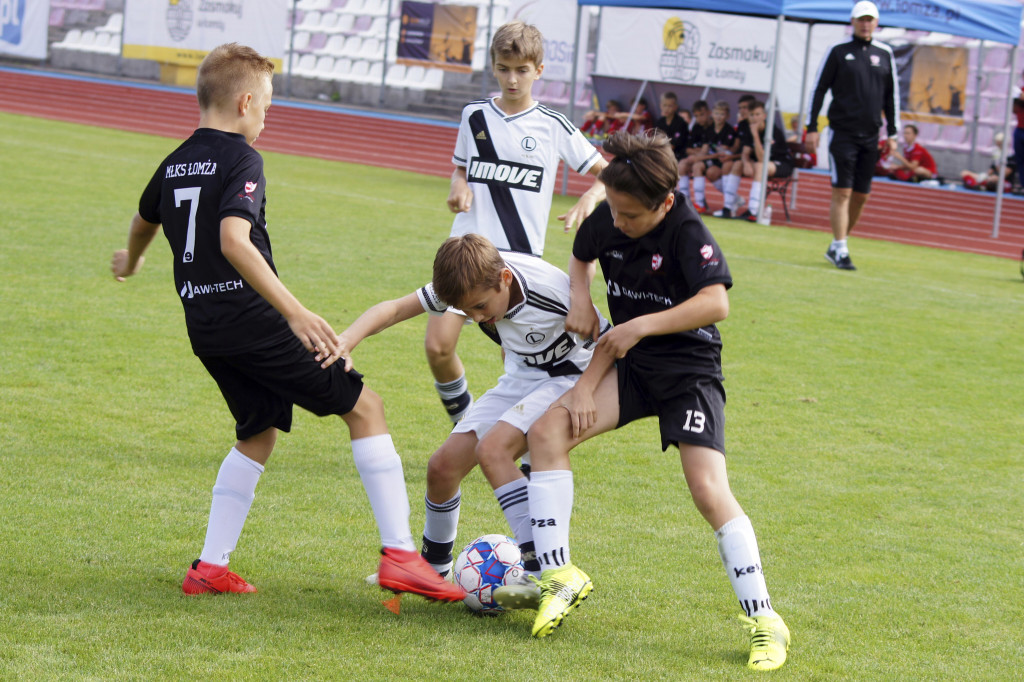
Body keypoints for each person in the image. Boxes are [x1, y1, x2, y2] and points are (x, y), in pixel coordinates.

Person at [109, 43, 465, 604]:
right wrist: (295, 312)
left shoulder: (175, 159)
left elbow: (143, 217)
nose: (266, 119)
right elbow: (233, 239)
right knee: (365, 406)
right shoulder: (244, 159)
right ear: (246, 101)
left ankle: (209, 567)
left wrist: (130, 261)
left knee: (258, 432)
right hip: (252, 319)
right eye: (268, 108)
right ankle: (401, 556)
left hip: (204, 325)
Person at [494, 130, 790, 671]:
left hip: (687, 371)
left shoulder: (686, 229)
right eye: (613, 209)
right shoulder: (610, 211)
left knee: (706, 488)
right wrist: (580, 300)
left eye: (630, 216)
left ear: (665, 203)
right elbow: (581, 255)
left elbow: (716, 302)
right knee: (546, 432)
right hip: (626, 362)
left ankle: (765, 619)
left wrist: (641, 326)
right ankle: (554, 578)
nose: (619, 223)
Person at [339, 234, 609, 586]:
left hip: (570, 378)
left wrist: (586, 392)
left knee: (493, 450)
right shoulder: (470, 281)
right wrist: (345, 340)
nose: (477, 318)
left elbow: (608, 344)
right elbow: (394, 309)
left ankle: (542, 571)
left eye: (480, 307)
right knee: (442, 467)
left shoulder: (550, 293)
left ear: (505, 280)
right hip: (522, 374)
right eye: (466, 312)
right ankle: (432, 571)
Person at [437, 21, 607, 426]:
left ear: (539, 70)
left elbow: (610, 174)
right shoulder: (474, 116)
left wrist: (589, 196)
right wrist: (458, 187)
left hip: (514, 266)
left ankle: (514, 437)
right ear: (493, 67)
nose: (512, 79)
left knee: (517, 362)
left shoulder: (552, 125)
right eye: (504, 68)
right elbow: (460, 169)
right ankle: (466, 423)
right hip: (464, 252)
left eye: (522, 70)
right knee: (438, 347)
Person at [805, 0, 899, 271]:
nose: (866, 23)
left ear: (876, 22)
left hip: (871, 135)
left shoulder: (885, 53)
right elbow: (819, 89)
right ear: (853, 21)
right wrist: (813, 126)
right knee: (842, 191)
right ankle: (842, 247)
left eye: (870, 19)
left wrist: (892, 133)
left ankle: (837, 244)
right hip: (842, 132)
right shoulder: (838, 51)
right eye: (861, 19)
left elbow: (892, 97)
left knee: (862, 195)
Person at [736, 100, 794, 222]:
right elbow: (745, 152)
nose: (755, 118)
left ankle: (753, 210)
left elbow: (763, 158)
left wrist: (755, 135)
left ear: (764, 116)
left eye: (758, 114)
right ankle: (728, 206)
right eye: (752, 115)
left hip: (782, 164)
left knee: (759, 166)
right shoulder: (748, 129)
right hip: (764, 164)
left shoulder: (772, 131)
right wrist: (746, 163)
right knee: (737, 164)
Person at [691, 100, 740, 215]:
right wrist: (699, 156)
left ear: (727, 116)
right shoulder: (709, 129)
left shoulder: (729, 131)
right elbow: (705, 149)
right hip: (713, 159)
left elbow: (727, 151)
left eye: (721, 114)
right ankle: (700, 204)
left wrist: (716, 154)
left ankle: (729, 204)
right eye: (716, 113)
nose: (718, 117)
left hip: (724, 161)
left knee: (717, 170)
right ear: (712, 114)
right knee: (697, 165)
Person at [677, 99, 712, 206]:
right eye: (696, 116)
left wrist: (697, 154)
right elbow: (688, 148)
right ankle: (684, 203)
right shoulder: (696, 127)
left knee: (697, 166)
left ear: (709, 112)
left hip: (712, 160)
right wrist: (697, 152)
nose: (699, 118)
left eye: (702, 114)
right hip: (699, 158)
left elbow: (706, 151)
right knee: (682, 165)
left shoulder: (713, 127)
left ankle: (700, 204)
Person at [655, 91, 688, 163]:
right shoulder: (659, 122)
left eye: (670, 106)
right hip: (660, 153)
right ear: (660, 106)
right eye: (664, 105)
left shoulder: (681, 123)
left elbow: (674, 145)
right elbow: (655, 140)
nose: (666, 109)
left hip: (677, 156)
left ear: (675, 107)